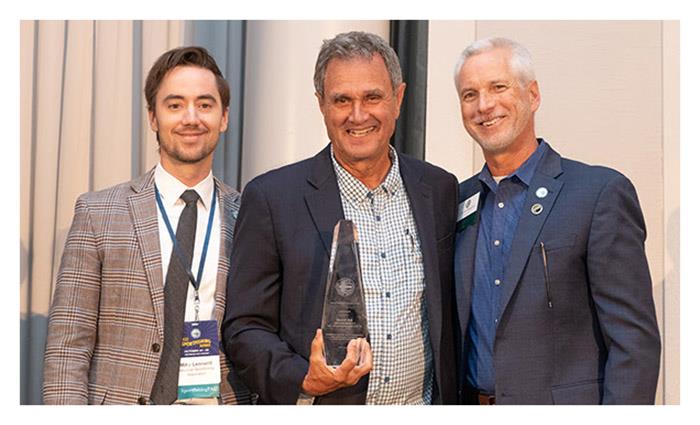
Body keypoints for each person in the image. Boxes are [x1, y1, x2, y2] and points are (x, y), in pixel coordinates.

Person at [222, 31, 458, 405]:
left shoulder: (440, 189)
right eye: (342, 100)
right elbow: (244, 327)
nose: (358, 115)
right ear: (321, 104)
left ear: (398, 99)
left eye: (373, 97)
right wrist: (303, 377)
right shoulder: (272, 198)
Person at [452, 37, 661, 405]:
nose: (484, 105)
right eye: (470, 94)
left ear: (532, 95)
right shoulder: (456, 201)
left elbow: (634, 345)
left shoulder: (598, 194)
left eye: (498, 87)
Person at [42, 46, 250, 405]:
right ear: (153, 117)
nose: (191, 117)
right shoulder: (98, 212)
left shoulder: (248, 215)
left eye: (204, 104)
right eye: (174, 105)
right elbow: (68, 347)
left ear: (224, 117)